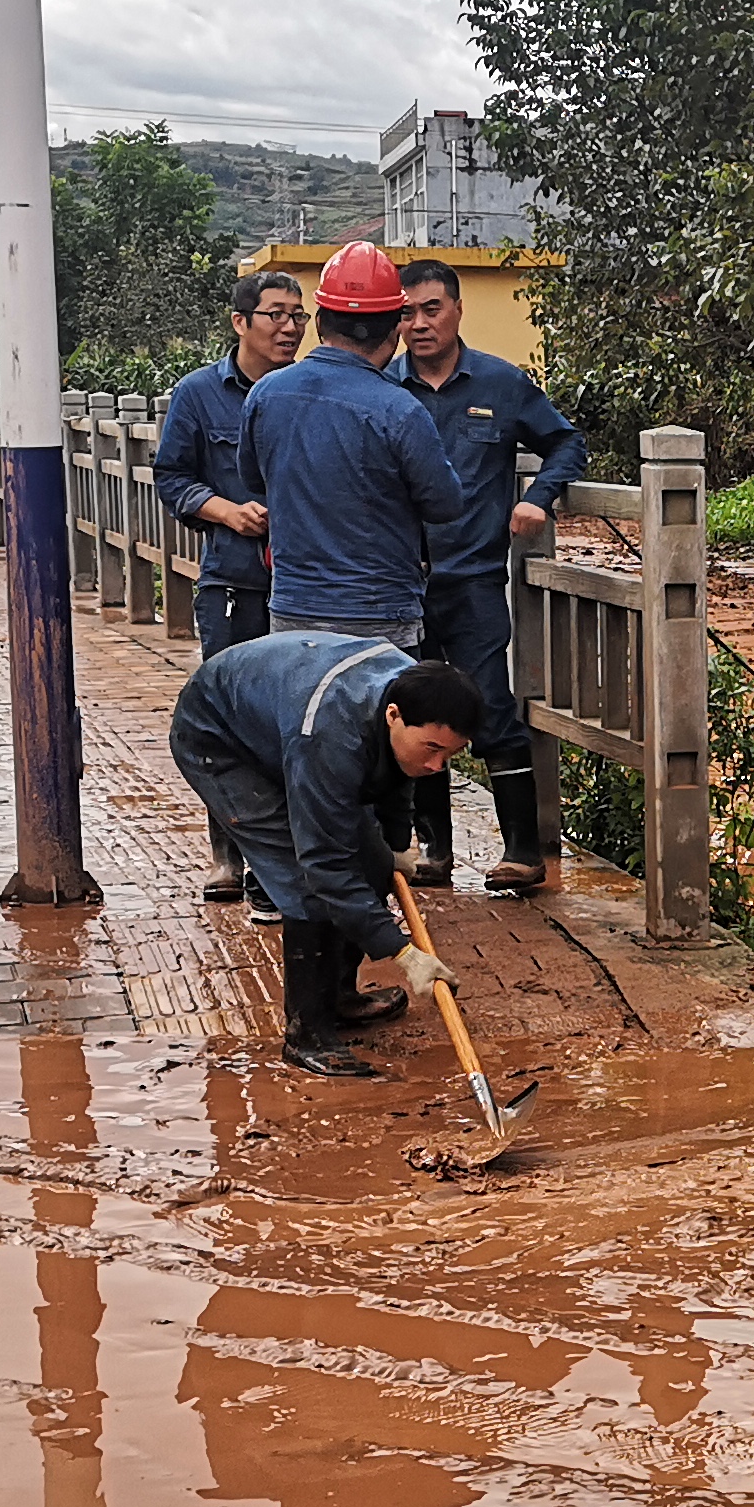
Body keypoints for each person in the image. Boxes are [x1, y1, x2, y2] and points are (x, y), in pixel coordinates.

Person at [170, 641, 482, 1076]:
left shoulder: (416, 693)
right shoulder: (331, 734)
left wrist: (393, 846)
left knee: (372, 864)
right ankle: (307, 1034)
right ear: (393, 715)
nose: (437, 765)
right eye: (431, 748)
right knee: (306, 883)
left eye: (450, 754)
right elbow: (324, 865)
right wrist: (403, 954)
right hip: (220, 739)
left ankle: (338, 996)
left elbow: (400, 774)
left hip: (282, 722)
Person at [394, 254, 583, 890]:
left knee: (492, 704)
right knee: (412, 710)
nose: (420, 324)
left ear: (457, 309)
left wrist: (539, 496)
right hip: (401, 585)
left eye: (432, 309)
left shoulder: (500, 384)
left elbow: (566, 442)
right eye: (407, 313)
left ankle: (524, 852)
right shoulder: (385, 389)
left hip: (473, 581)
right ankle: (434, 852)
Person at [155, 265, 306, 899]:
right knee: (228, 716)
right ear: (241, 322)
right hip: (233, 583)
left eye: (298, 316)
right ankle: (228, 854)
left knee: (294, 720)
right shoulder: (198, 394)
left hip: (304, 585)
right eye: (276, 315)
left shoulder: (307, 389)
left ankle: (291, 857)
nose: (290, 328)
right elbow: (171, 478)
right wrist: (226, 511)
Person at [252, 241, 452, 648]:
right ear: (394, 329)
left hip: (294, 613)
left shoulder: (266, 394)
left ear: (320, 321)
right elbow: (445, 503)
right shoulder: (401, 410)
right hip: (380, 618)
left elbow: (254, 478)